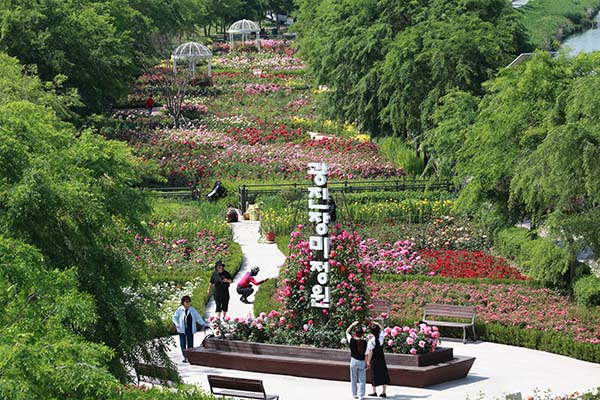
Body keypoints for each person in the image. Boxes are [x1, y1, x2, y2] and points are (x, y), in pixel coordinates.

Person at [171, 295, 207, 363]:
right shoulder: (180, 309)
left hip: (190, 329)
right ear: (183, 302)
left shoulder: (192, 310)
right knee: (183, 344)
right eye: (186, 302)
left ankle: (190, 357)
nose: (188, 303)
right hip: (182, 329)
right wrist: (177, 324)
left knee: (190, 343)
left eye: (189, 302)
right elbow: (174, 318)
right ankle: (185, 357)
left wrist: (204, 324)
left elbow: (198, 317)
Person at [365, 321, 390, 397]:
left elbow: (370, 353)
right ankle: (383, 392)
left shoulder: (371, 341)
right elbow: (383, 329)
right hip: (381, 358)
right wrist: (377, 324)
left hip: (374, 360)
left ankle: (374, 391)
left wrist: (368, 361)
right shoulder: (381, 337)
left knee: (374, 375)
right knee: (383, 374)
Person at [346, 321, 367, 400]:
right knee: (362, 379)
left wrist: (352, 325)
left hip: (354, 360)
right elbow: (367, 353)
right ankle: (361, 395)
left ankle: (354, 394)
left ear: (355, 333)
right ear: (362, 334)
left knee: (353, 378)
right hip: (362, 361)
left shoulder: (351, 340)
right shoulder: (365, 342)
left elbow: (347, 332)